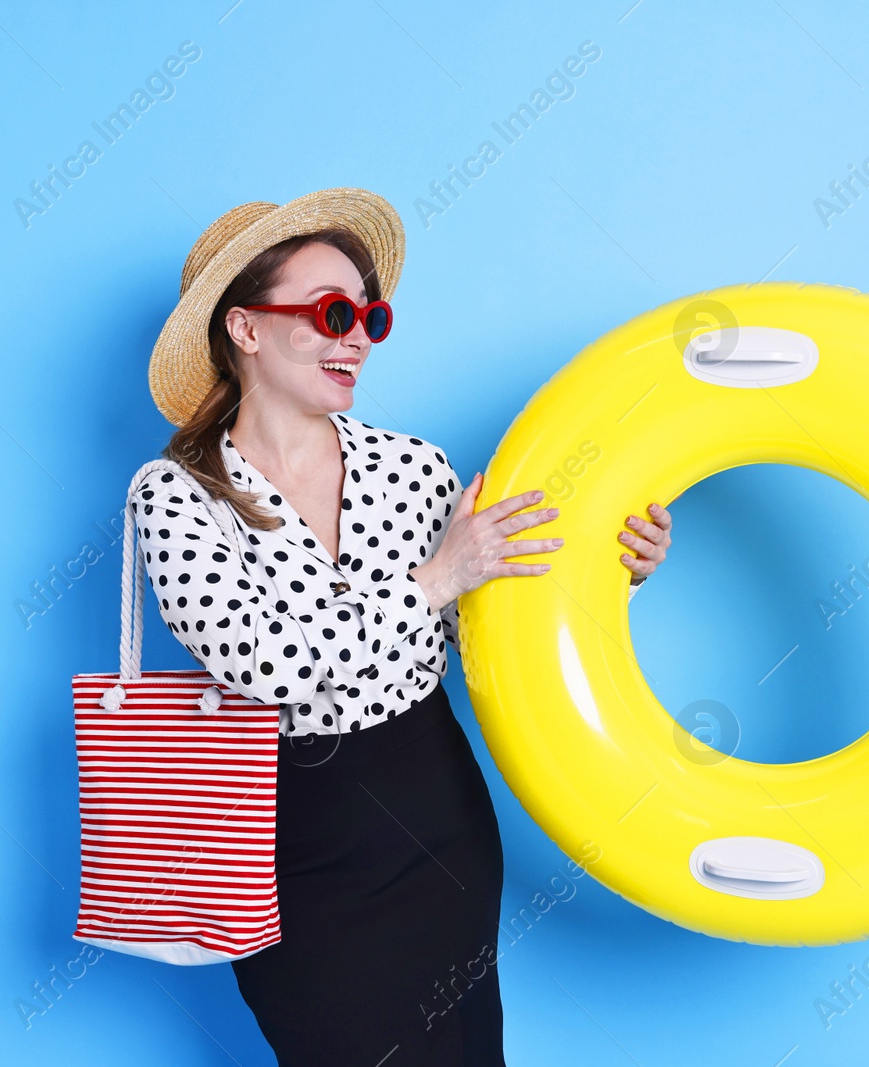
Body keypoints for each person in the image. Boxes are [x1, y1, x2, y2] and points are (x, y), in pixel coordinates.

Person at [138, 188, 672, 1065]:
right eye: (333, 311)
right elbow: (267, 667)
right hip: (287, 835)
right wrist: (432, 578)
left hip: (435, 810)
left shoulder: (414, 467)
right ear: (245, 329)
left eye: (370, 315)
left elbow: (490, 634)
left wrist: (622, 571)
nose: (357, 336)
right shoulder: (175, 495)